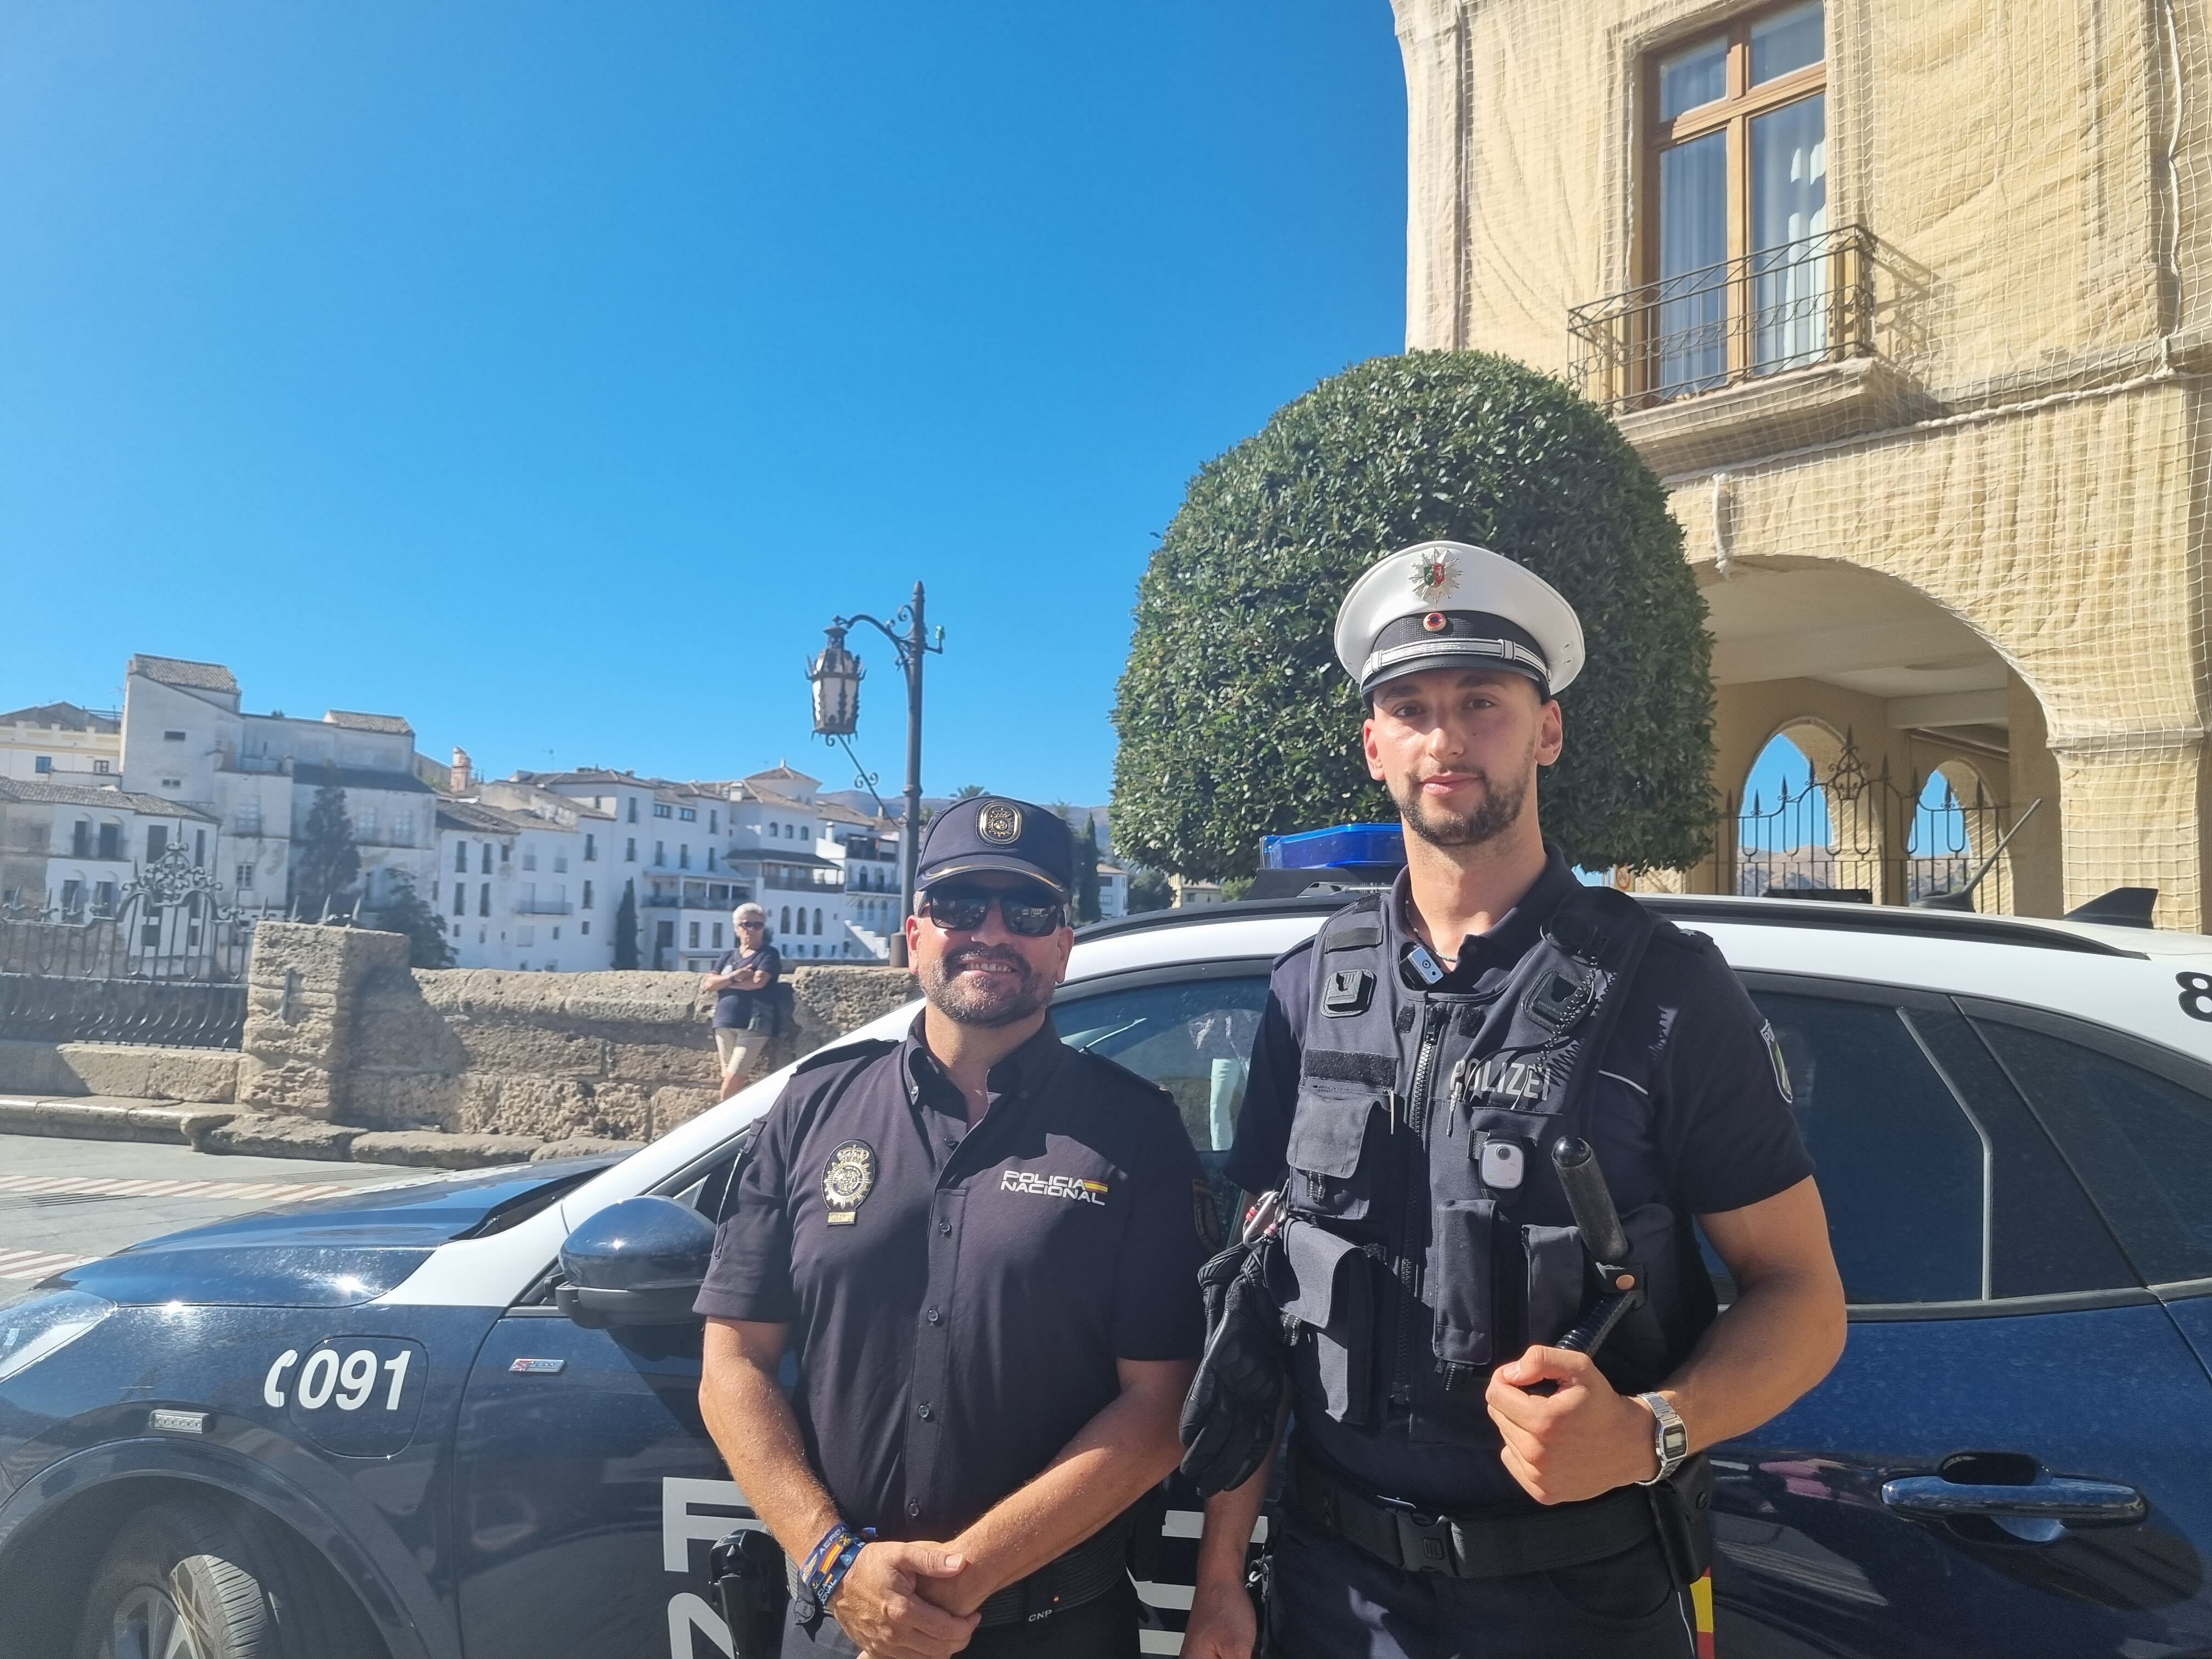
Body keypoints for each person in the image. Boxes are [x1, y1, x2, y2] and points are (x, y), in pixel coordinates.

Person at [1180, 542, 1847, 1659]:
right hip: (1334, 1596)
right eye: (1412, 706)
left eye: (1482, 701)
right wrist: (1218, 1581)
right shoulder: (1309, 990)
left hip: (1578, 1601)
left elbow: (1803, 1295)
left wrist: (1649, 1432)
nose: (1446, 737)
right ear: (1374, 745)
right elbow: (1261, 1315)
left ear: (1547, 729)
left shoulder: (1667, 990)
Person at [695, 794, 1214, 1657]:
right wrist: (835, 1561)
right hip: (836, 1620)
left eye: (1030, 909)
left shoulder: (1136, 1130)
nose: (993, 931)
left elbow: (1160, 1407)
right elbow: (733, 1358)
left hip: (1055, 1630)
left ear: (1064, 943)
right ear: (914, 933)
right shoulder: (813, 1107)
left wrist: (955, 1582)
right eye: (961, 905)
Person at [704, 904, 781, 1101]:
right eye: (747, 924)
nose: (752, 930)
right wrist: (735, 977)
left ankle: (721, 1122)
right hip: (724, 1022)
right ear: (737, 927)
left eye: (758, 925)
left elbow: (758, 982)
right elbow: (708, 984)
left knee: (734, 1077)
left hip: (753, 1024)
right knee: (728, 1076)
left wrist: (725, 984)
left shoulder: (768, 954)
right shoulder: (728, 956)